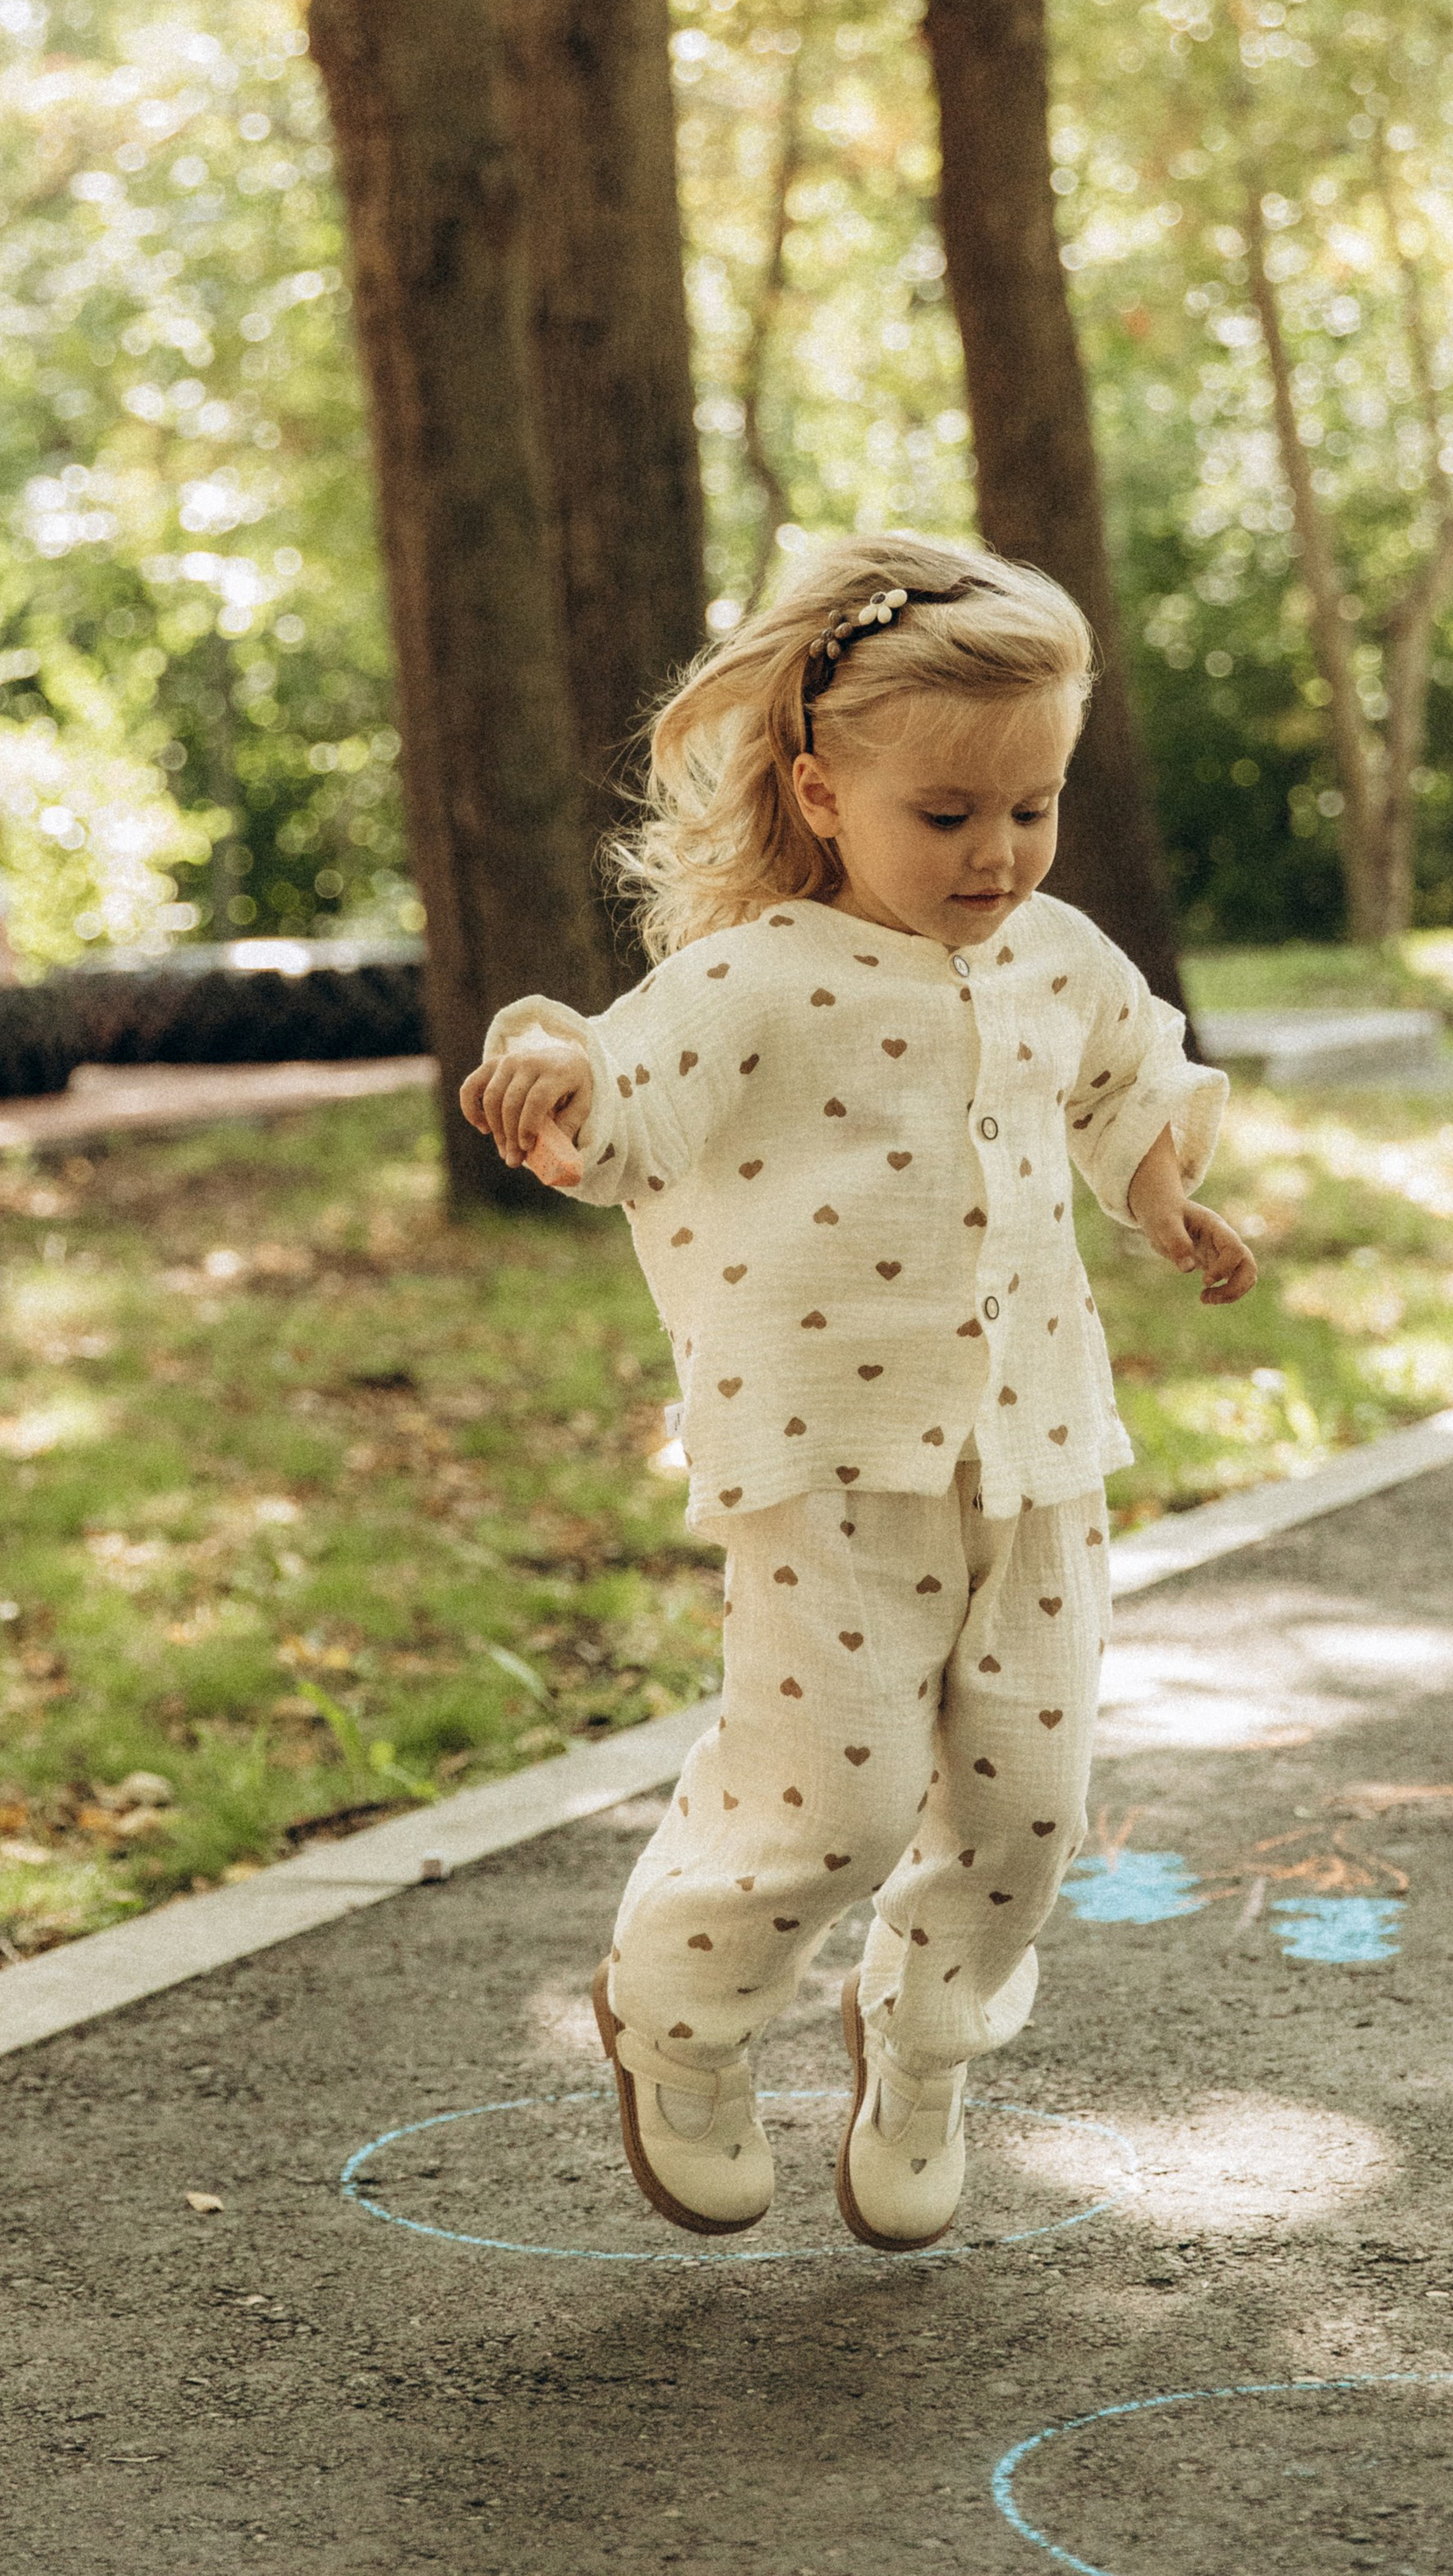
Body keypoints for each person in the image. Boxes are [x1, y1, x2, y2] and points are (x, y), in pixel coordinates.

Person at [458, 533, 1255, 2251]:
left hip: (1037, 1451)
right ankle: (676, 2014)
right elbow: (628, 1083)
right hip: (823, 1460)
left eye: (1029, 808)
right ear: (821, 791)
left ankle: (928, 2047)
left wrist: (1161, 1196)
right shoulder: (756, 981)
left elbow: (1129, 1075)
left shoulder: (1056, 953)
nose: (999, 854)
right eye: (948, 816)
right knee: (836, 1798)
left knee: (1023, 1808)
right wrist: (555, 1072)